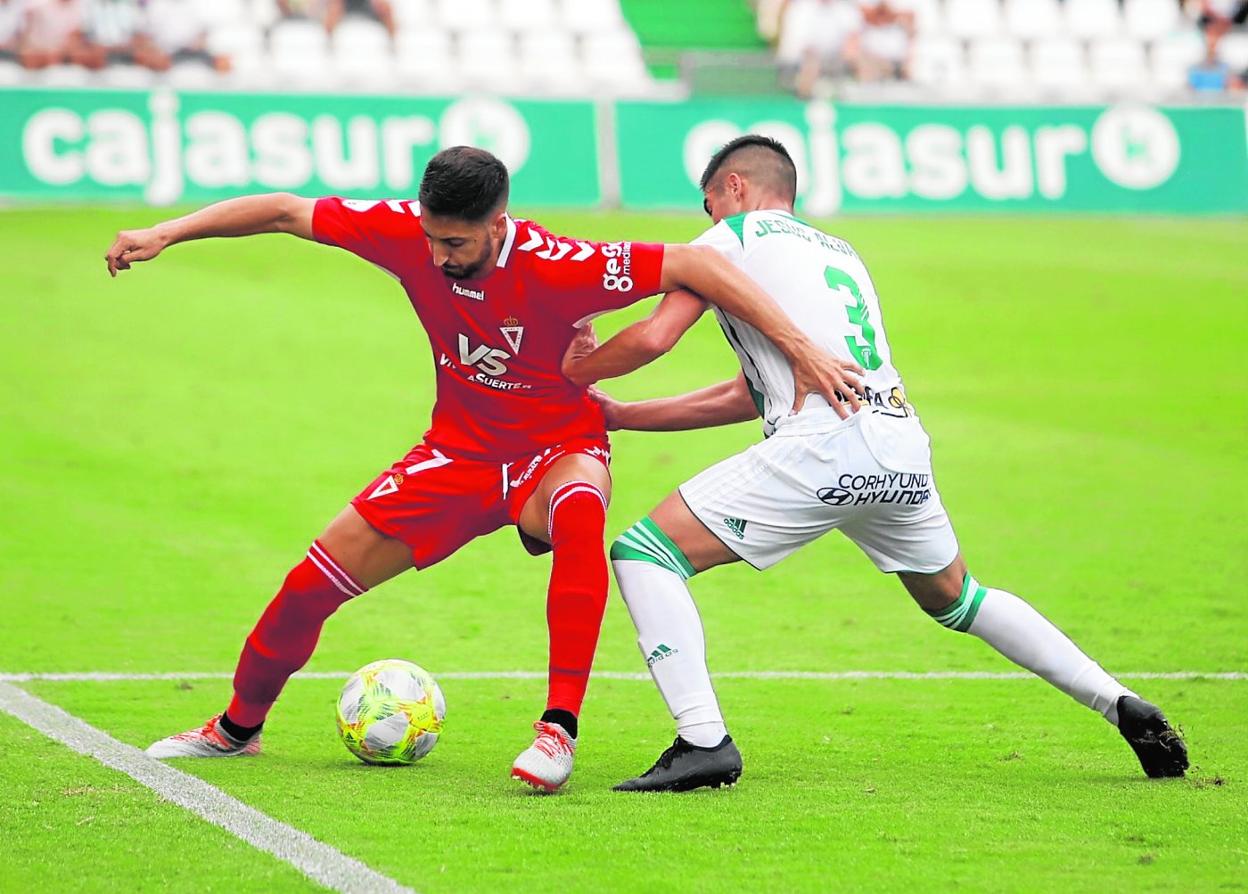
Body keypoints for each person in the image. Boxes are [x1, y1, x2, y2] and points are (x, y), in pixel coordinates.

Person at [104, 146, 862, 793]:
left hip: (557, 447)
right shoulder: (408, 233)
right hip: (457, 453)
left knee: (579, 511)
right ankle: (238, 728)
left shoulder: (560, 265)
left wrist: (800, 350)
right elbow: (283, 211)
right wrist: (164, 233)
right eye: (432, 238)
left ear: (498, 225)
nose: (438, 256)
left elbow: (698, 263)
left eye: (457, 244)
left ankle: (558, 730)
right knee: (310, 585)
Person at [561, 135, 1190, 792]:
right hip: (896, 443)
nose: (708, 215)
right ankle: (1119, 703)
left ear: (737, 188)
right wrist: (625, 414)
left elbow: (656, 336)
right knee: (958, 598)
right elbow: (754, 392)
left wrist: (574, 376)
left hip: (820, 446)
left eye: (710, 199)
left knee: (644, 553)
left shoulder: (728, 241)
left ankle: (702, 741)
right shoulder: (839, 253)